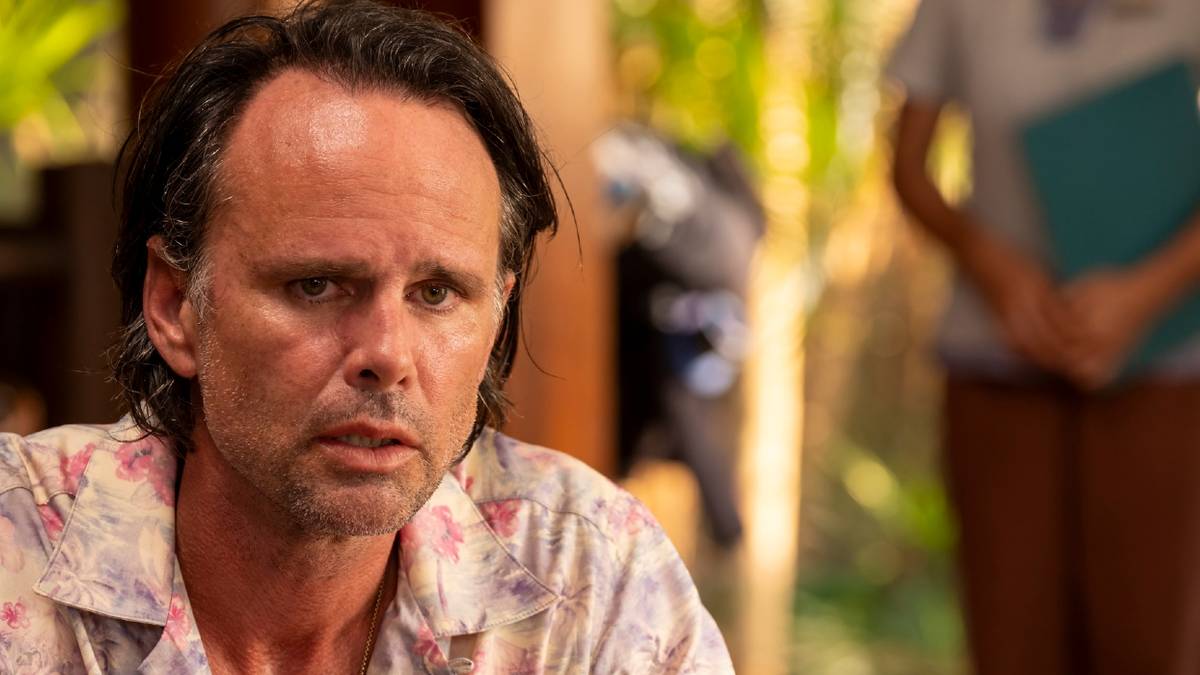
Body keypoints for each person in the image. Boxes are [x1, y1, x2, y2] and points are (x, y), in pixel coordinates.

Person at [0, 2, 733, 673]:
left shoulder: (590, 577)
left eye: (437, 293)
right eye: (316, 285)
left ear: (495, 318)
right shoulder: (14, 549)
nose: (387, 353)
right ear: (174, 305)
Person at [889, 1, 1200, 673]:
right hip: (996, 365)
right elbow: (908, 167)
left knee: (1152, 639)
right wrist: (989, 262)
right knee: (1011, 637)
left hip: (1163, 371)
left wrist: (1145, 292)